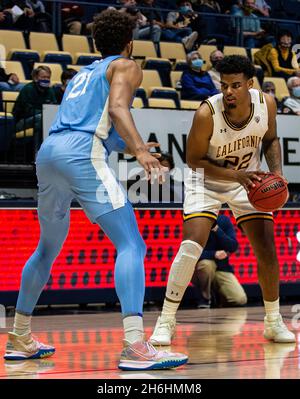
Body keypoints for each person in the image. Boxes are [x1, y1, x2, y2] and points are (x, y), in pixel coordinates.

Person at [4, 9, 188, 371]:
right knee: (132, 243)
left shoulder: (81, 75)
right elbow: (118, 109)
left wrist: (131, 146)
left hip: (50, 153)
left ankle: (19, 336)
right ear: (129, 42)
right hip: (81, 153)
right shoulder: (126, 65)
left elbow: (102, 126)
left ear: (93, 42)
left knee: (46, 248)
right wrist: (137, 150)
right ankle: (135, 345)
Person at [150, 55, 295, 346]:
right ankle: (165, 321)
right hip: (207, 180)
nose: (228, 92)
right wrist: (234, 175)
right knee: (191, 246)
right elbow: (193, 161)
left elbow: (270, 139)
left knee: (267, 247)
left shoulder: (266, 104)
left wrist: (277, 174)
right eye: (224, 85)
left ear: (250, 84)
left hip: (248, 180)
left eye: (235, 85)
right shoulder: (207, 113)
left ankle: (273, 321)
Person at [192, 214, 247, 308]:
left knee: (240, 299)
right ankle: (205, 299)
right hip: (200, 268)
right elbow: (191, 252)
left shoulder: (223, 220)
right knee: (206, 265)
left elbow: (233, 246)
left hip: (221, 268)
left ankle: (218, 298)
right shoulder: (196, 220)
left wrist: (217, 229)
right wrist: (213, 254)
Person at [12, 65, 56, 141]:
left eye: (48, 77)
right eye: (43, 77)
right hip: (21, 121)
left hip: (41, 119)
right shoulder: (28, 89)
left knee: (50, 118)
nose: (46, 79)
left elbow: (53, 108)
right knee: (42, 118)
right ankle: (37, 149)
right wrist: (45, 113)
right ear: (35, 78)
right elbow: (28, 111)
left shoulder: (50, 91)